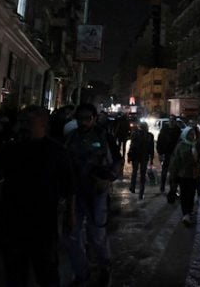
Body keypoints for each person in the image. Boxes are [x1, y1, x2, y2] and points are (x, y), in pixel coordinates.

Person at [0, 105, 75, 287]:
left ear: (43, 125)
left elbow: (70, 186)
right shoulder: (12, 149)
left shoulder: (56, 151)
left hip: (43, 224)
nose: (23, 127)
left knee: (46, 272)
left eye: (29, 122)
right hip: (13, 223)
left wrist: (70, 215)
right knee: (15, 273)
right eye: (22, 122)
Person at [64, 103, 120, 286]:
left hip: (97, 193)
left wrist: (108, 180)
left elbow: (117, 162)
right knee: (72, 236)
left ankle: (105, 267)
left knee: (97, 235)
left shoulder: (105, 137)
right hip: (75, 193)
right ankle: (81, 273)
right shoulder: (70, 138)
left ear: (94, 119)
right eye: (80, 118)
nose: (83, 122)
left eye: (87, 118)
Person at [168, 127, 200, 226]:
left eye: (193, 134)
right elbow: (175, 161)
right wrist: (173, 174)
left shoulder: (196, 145)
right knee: (184, 195)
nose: (192, 136)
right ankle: (185, 214)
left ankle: (189, 211)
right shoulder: (181, 146)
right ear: (185, 135)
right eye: (189, 134)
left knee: (191, 194)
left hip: (194, 175)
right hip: (183, 175)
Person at [128, 122, 154, 199]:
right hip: (144, 157)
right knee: (143, 174)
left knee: (134, 172)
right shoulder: (150, 135)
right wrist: (151, 158)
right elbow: (151, 148)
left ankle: (132, 187)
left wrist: (129, 156)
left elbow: (132, 146)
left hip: (136, 156)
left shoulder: (135, 134)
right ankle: (141, 192)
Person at [157, 117, 182, 193]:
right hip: (166, 153)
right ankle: (162, 186)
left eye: (173, 120)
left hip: (174, 153)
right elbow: (160, 141)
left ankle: (172, 188)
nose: (171, 122)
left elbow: (180, 141)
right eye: (170, 120)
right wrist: (160, 153)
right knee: (165, 171)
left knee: (173, 172)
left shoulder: (178, 130)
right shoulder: (164, 130)